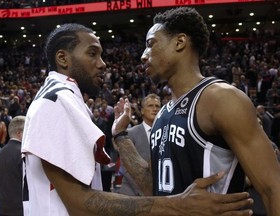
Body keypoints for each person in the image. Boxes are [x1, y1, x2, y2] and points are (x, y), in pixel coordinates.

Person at [21, 23, 253, 216]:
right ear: (63, 58)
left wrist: (119, 136)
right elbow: (80, 204)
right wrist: (180, 205)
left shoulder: (57, 97)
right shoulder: (58, 100)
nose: (102, 64)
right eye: (92, 53)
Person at [112, 7, 280, 216]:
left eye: (150, 44)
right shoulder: (162, 115)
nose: (143, 56)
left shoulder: (221, 98)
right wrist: (120, 136)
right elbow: (156, 188)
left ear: (179, 42)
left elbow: (273, 188)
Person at [115, 93, 161, 195]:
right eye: (150, 106)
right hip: (133, 194)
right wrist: (146, 191)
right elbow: (127, 168)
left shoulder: (166, 134)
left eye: (157, 106)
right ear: (142, 111)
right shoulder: (130, 133)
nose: (155, 109)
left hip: (158, 195)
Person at [0, 115, 25, 216]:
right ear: (19, 133)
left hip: (4, 208)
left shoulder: (0, 153)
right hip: (21, 209)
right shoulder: (23, 153)